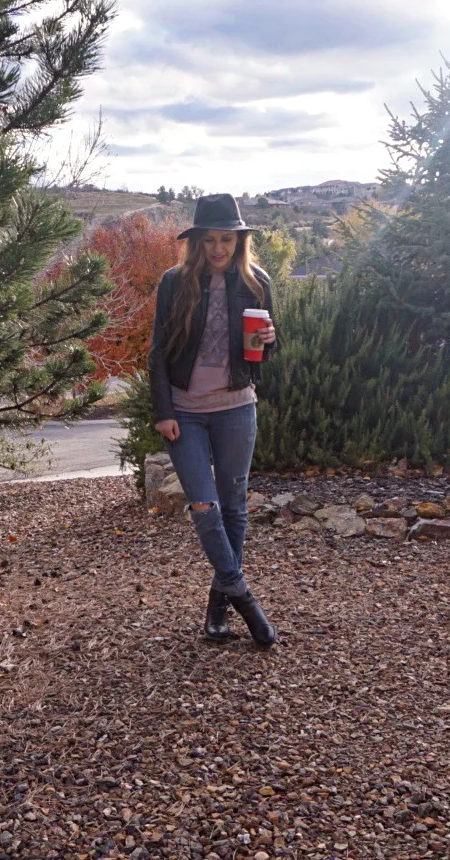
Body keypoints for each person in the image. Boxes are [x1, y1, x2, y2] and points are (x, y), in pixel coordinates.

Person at [146, 193, 279, 648]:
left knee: (234, 507)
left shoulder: (256, 281)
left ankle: (218, 606)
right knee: (204, 506)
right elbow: (158, 352)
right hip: (185, 411)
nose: (218, 248)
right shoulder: (174, 282)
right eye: (210, 240)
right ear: (196, 242)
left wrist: (270, 339)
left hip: (236, 406)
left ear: (239, 241)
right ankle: (245, 598)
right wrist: (164, 411)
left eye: (227, 239)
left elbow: (262, 355)